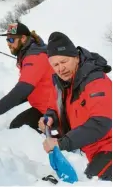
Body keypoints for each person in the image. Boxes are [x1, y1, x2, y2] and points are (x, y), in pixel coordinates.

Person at [39, 32, 112, 181]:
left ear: (76, 57)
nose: (60, 69)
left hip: (107, 148)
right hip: (84, 149)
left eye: (64, 61)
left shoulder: (96, 81)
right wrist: (49, 117)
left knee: (90, 182)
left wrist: (62, 143)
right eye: (55, 65)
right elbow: (54, 106)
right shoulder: (62, 83)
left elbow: (101, 122)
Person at [0, 22, 56, 133]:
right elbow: (26, 92)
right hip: (44, 107)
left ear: (23, 38)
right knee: (17, 126)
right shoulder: (30, 54)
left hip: (55, 112)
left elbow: (21, 91)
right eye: (7, 40)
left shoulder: (35, 58)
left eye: (11, 40)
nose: (8, 43)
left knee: (18, 129)